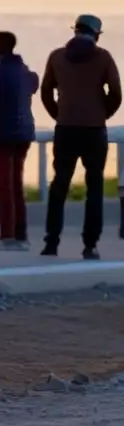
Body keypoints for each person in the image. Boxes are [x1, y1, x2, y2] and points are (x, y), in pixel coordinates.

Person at [40, 15, 122, 260]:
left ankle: (51, 242)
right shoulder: (104, 57)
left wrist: (60, 114)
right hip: (94, 131)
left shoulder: (56, 56)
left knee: (59, 185)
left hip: (66, 128)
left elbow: (45, 92)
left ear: (75, 31)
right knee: (94, 187)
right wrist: (100, 114)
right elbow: (116, 94)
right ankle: (90, 245)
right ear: (96, 34)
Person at [0, 31, 38, 251]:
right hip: (24, 133)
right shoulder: (27, 74)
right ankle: (21, 233)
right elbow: (33, 86)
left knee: (4, 187)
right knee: (17, 185)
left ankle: (8, 236)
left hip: (3, 134)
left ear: (0, 46)